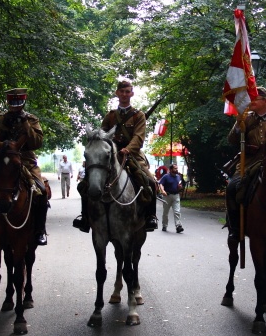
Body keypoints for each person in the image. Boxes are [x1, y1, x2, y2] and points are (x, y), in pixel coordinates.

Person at [74, 80, 159, 233]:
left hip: (132, 155)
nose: (125, 94)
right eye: (122, 92)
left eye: (128, 92)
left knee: (150, 182)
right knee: (85, 184)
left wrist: (128, 149)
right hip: (110, 154)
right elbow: (102, 135)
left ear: (131, 94)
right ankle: (85, 217)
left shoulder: (138, 116)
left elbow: (139, 137)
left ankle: (150, 216)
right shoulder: (111, 116)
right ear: (117, 93)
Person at [0, 88, 50, 246]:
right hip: (2, 159)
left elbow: (37, 143)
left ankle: (40, 230)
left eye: (18, 104)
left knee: (41, 190)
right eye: (12, 104)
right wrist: (3, 127)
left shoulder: (32, 119)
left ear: (23, 103)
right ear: (8, 103)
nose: (15, 107)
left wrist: (25, 124)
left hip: (26, 159)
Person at [225, 87, 266, 241]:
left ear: (265, 101)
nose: (251, 101)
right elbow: (231, 140)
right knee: (232, 188)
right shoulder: (246, 118)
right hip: (249, 163)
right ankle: (234, 227)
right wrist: (237, 124)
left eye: (255, 98)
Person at [158, 164, 184, 233]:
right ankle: (164, 225)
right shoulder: (166, 176)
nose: (176, 170)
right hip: (167, 196)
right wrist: (162, 191)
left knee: (177, 211)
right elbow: (161, 184)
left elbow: (180, 186)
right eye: (175, 168)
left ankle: (178, 226)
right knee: (165, 212)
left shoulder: (178, 177)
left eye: (177, 168)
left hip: (176, 195)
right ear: (171, 169)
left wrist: (180, 187)